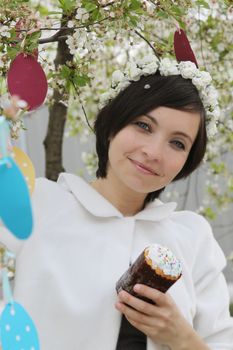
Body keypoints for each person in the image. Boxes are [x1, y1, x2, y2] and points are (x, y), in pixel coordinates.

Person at [0, 57, 233, 350]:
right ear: (113, 125)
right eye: (143, 125)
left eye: (178, 143)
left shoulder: (193, 237)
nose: (153, 152)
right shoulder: (35, 203)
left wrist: (181, 337)